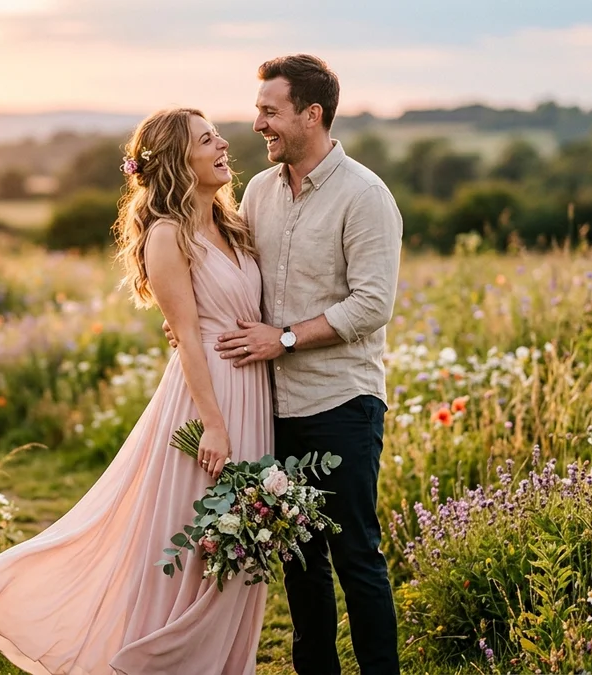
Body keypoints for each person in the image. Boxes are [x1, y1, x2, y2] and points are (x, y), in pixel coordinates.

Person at [0, 107, 271, 674]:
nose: (224, 142)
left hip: (255, 398)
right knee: (200, 545)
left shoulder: (234, 223)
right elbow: (189, 338)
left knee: (244, 546)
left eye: (216, 134)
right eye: (206, 139)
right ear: (178, 159)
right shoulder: (168, 235)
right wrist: (213, 424)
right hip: (207, 400)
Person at [169, 54, 404, 674]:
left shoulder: (366, 195)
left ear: (312, 114)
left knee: (356, 555)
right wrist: (194, 318)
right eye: (258, 111)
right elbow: (237, 279)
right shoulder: (258, 191)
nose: (258, 124)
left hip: (342, 403)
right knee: (299, 558)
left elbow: (373, 304)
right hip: (270, 407)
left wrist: (287, 340)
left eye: (270, 112)